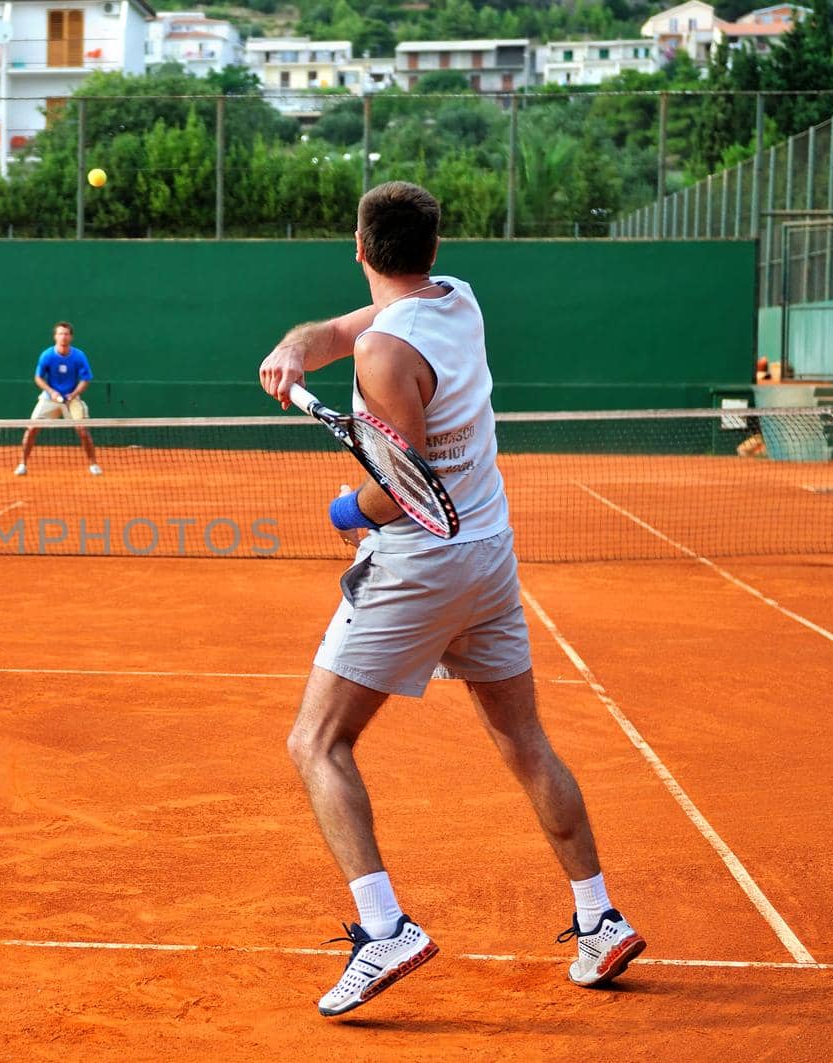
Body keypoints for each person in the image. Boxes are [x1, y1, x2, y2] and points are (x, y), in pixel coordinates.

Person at [257, 181, 644, 1018]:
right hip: (487, 555)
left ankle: (383, 927)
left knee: (316, 742)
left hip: (418, 563)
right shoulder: (454, 298)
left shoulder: (384, 357)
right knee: (523, 736)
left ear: (358, 248)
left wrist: (343, 509)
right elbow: (334, 331)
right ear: (430, 250)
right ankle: (599, 918)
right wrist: (295, 350)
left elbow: (403, 490)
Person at [16, 321, 101, 476]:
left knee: (82, 429)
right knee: (32, 428)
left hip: (72, 398)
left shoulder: (79, 356)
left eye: (66, 334)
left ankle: (93, 464)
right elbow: (38, 378)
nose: (63, 337)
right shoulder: (47, 355)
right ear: (55, 336)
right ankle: (22, 464)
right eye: (60, 334)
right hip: (50, 398)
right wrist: (51, 392)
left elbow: (86, 379)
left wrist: (73, 394)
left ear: (71, 337)